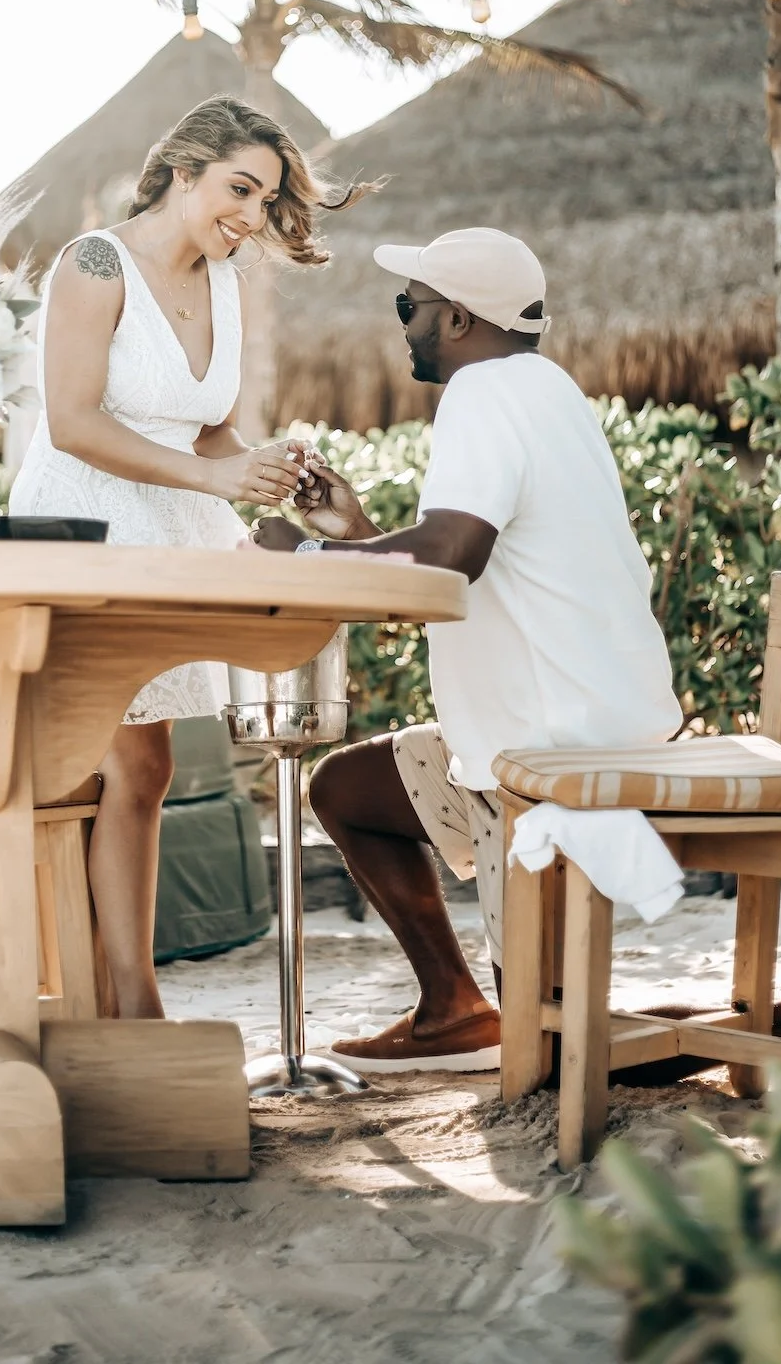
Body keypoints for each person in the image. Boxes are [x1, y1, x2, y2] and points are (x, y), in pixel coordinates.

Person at [253, 227, 682, 1071]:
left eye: (410, 307)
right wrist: (357, 534)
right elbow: (461, 571)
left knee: (551, 1046)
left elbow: (452, 556)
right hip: (569, 723)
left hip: (547, 754)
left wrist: (301, 558)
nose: (404, 322)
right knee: (345, 786)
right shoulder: (546, 389)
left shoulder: (482, 395)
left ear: (455, 319)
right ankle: (452, 1008)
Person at [10, 94, 371, 1018]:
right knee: (124, 765)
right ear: (183, 170)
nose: (250, 218)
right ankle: (128, 1001)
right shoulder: (94, 263)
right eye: (239, 191)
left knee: (147, 765)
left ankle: (119, 995)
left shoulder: (224, 280)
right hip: (87, 528)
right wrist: (214, 482)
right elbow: (74, 420)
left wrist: (264, 467)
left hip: (174, 526)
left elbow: (206, 427)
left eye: (265, 201)